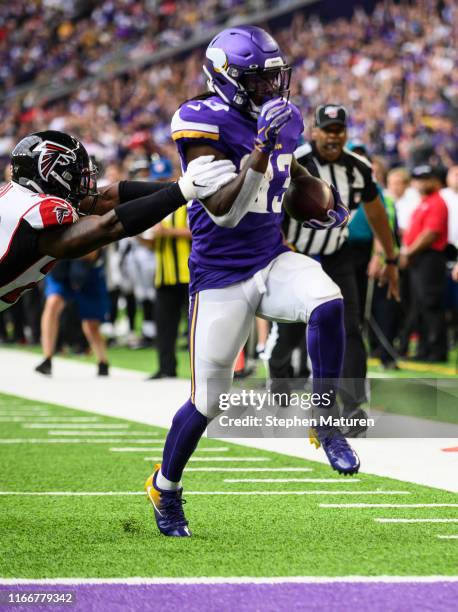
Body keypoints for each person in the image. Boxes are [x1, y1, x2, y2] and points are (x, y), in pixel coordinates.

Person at [145, 25, 359, 539]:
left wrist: (323, 200)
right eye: (258, 80)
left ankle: (326, 419)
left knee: (328, 301)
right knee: (207, 400)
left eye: (274, 79)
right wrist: (260, 146)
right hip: (219, 275)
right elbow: (224, 209)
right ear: (226, 79)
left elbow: (292, 176)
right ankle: (165, 487)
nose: (271, 89)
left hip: (271, 257)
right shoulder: (200, 119)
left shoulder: (283, 119)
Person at [0, 130, 237, 316]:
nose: (85, 181)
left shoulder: (14, 195)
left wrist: (184, 188)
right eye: (76, 173)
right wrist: (182, 192)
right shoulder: (39, 213)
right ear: (51, 172)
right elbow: (107, 228)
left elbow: (105, 199)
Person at [267, 105, 399, 433]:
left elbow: (377, 213)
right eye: (327, 129)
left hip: (336, 256)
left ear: (346, 133)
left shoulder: (358, 168)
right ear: (314, 132)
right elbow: (269, 207)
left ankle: (353, 409)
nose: (333, 136)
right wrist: (278, 246)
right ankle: (279, 376)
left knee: (349, 328)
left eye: (339, 130)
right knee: (292, 330)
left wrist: (391, 258)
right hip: (295, 255)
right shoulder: (296, 160)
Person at [400, 164, 449, 362]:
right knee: (419, 305)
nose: (422, 182)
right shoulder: (424, 202)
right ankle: (424, 350)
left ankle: (437, 351)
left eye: (426, 178)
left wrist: (408, 253)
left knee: (430, 303)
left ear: (436, 181)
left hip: (430, 257)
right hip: (419, 259)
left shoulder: (436, 202)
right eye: (419, 179)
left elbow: (430, 234)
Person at [35, 252, 110, 377]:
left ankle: (103, 361)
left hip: (88, 269)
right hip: (61, 267)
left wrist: (70, 249)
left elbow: (93, 252)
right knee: (52, 304)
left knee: (91, 324)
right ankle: (47, 358)